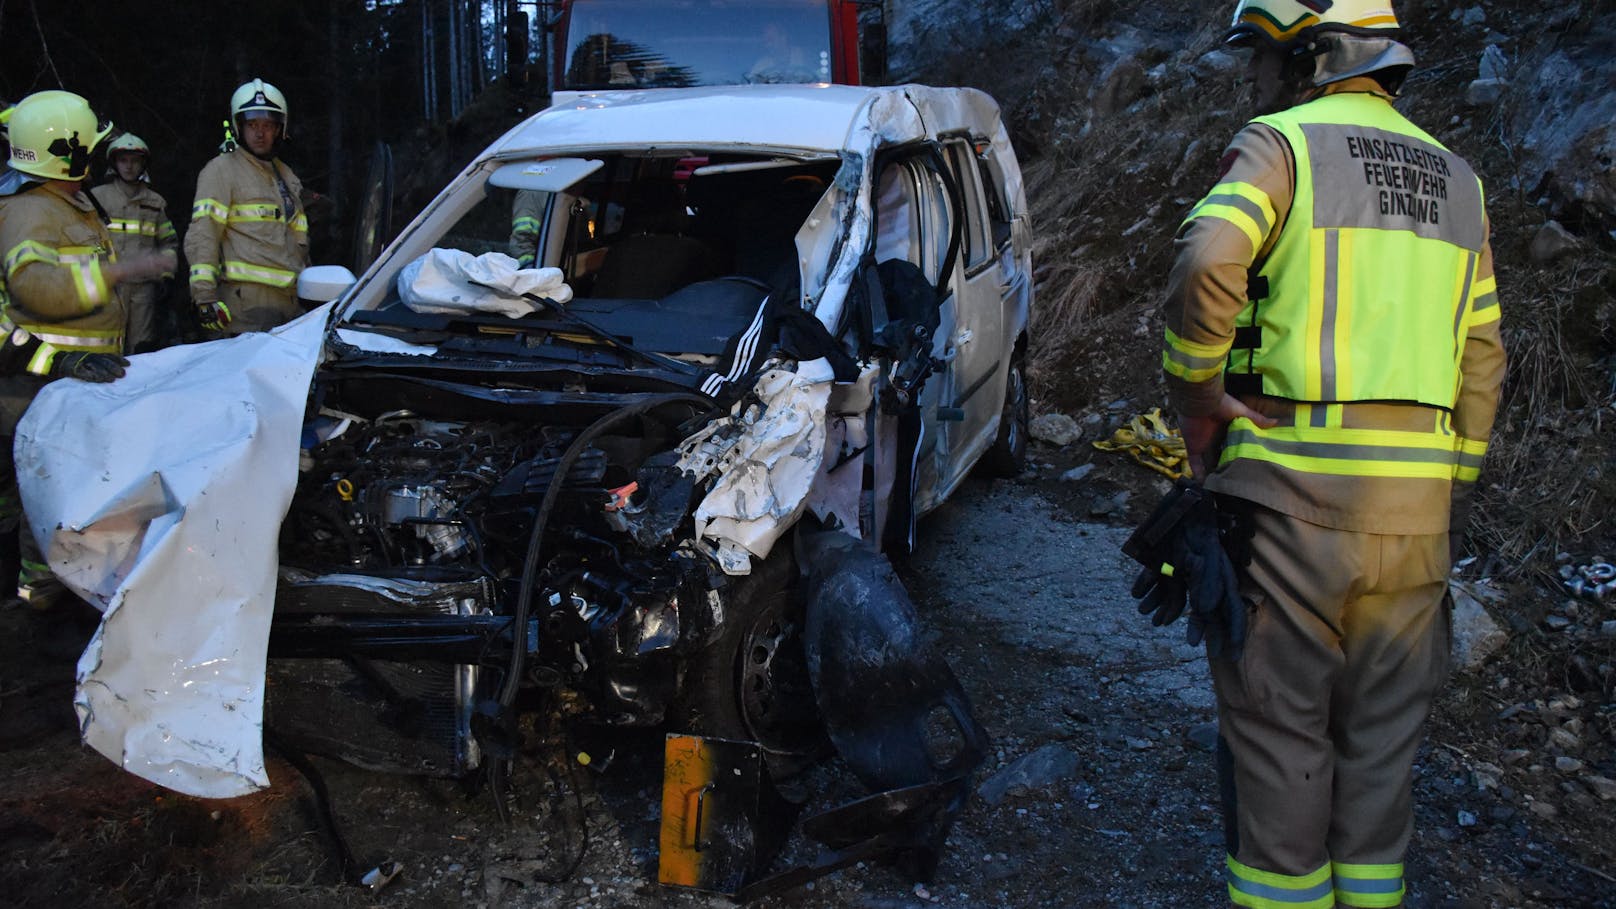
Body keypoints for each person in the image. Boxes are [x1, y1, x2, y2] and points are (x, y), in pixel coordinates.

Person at [1157, 2, 1506, 906]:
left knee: (1280, 738)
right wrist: (1447, 485)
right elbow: (1484, 355)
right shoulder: (1459, 180)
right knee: (1382, 750)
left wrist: (1199, 394)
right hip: (1417, 523)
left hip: (1294, 501)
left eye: (1264, 57)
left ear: (1313, 54)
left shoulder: (1283, 146)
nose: (1254, 76)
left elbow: (1206, 261)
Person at [0, 91, 172, 600]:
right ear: (69, 153)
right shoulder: (31, 213)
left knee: (45, 494)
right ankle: (40, 606)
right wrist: (120, 272)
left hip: (61, 386)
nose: (99, 155)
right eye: (91, 147)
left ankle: (40, 593)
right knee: (41, 496)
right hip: (34, 387)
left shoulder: (70, 203)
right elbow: (38, 289)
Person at [183, 78, 308, 336]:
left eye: (267, 125)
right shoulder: (221, 170)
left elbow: (299, 243)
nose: (259, 133)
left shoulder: (287, 176)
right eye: (252, 125)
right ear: (239, 126)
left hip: (291, 309)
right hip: (243, 310)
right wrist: (204, 296)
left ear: (280, 129)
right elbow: (203, 232)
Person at [90, 133, 178, 352]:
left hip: (143, 288)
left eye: (135, 161)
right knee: (105, 344)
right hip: (109, 285)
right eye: (123, 160)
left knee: (140, 347)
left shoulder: (155, 202)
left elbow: (169, 243)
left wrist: (166, 276)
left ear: (143, 164)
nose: (129, 167)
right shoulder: (97, 198)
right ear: (114, 163)